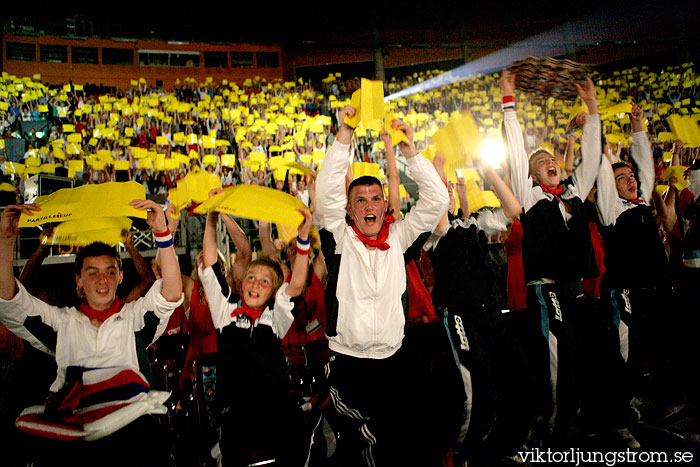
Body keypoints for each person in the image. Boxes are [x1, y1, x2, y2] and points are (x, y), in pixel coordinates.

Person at [0, 199, 184, 466]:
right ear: (78, 280)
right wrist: (6, 239)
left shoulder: (133, 320)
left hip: (132, 437)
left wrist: (163, 234)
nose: (102, 280)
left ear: (120, 277)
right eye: (92, 272)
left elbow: (171, 292)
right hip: (77, 441)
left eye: (110, 272)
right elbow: (10, 301)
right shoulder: (63, 324)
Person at [314, 105, 448, 466]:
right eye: (360, 200)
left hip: (395, 361)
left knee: (405, 440)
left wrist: (410, 153)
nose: (369, 205)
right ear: (351, 209)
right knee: (369, 443)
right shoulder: (339, 240)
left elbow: (437, 201)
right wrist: (345, 134)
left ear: (385, 203)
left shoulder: (402, 238)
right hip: (349, 364)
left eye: (376, 198)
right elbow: (325, 197)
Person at [501, 69, 606, 446]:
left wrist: (591, 106)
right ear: (531, 174)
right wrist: (508, 105)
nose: (550, 161)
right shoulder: (529, 196)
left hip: (576, 289)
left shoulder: (574, 192)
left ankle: (578, 421)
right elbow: (515, 155)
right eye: (540, 160)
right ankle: (548, 428)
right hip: (546, 292)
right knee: (555, 362)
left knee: (584, 357)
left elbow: (591, 157)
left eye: (552, 158)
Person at [199, 198, 314, 466]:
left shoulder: (276, 317)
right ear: (242, 282)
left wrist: (304, 236)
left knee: (295, 442)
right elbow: (209, 262)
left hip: (276, 410)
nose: (255, 285)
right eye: (251, 277)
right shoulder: (225, 311)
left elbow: (296, 284)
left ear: (273, 291)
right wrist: (212, 216)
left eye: (264, 282)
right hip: (237, 412)